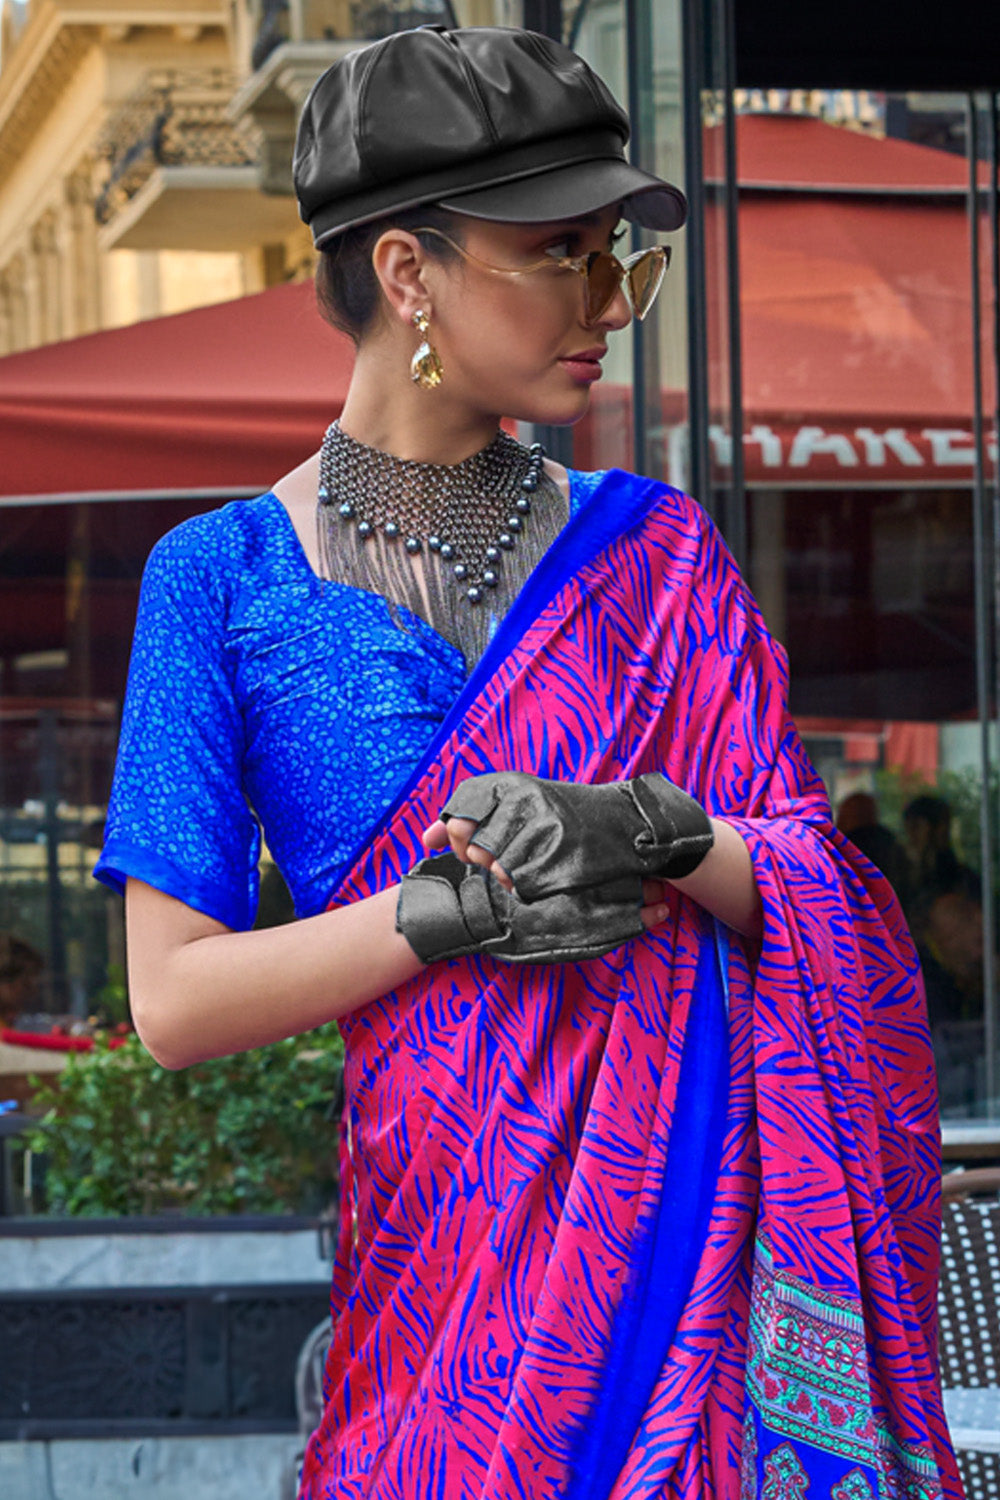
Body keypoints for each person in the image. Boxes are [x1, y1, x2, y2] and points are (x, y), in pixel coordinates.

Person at [94, 25, 961, 1500]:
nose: (610, 300)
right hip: (438, 1261)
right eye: (559, 252)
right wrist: (441, 918)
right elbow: (173, 1003)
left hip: (681, 1231)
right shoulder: (219, 580)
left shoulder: (662, 554)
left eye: (618, 254)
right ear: (407, 273)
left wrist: (660, 829)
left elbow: (826, 899)